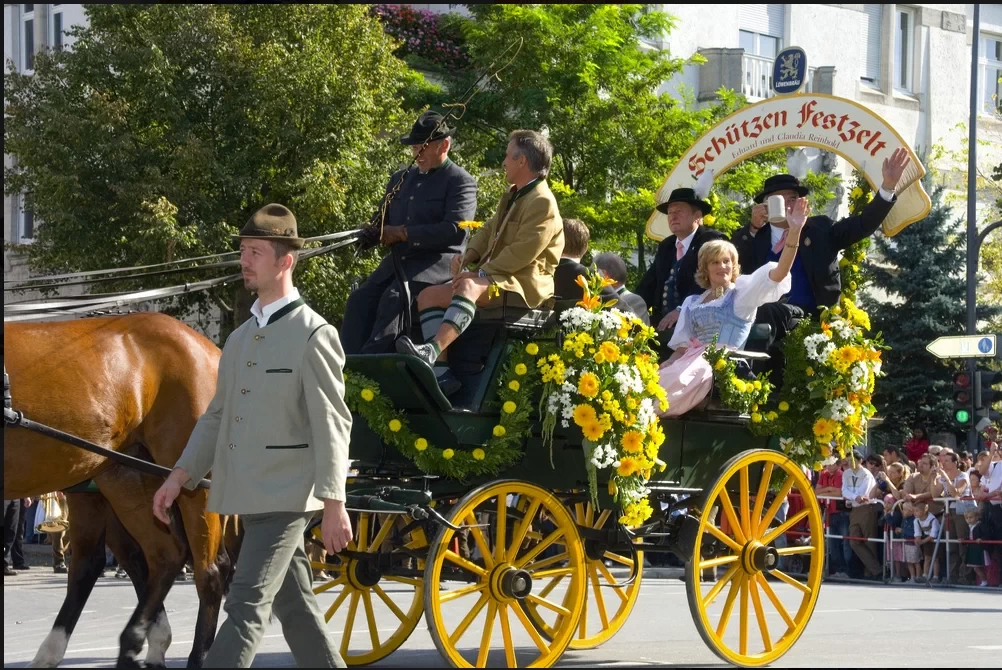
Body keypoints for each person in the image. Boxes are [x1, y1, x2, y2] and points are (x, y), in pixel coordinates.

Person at [152, 204, 354, 668]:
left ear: (286, 261)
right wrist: (178, 476)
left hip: (287, 497)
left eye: (256, 252)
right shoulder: (241, 338)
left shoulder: (314, 335)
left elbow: (332, 422)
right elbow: (216, 417)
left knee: (244, 607)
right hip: (249, 496)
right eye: (243, 251)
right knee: (296, 609)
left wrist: (334, 503)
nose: (244, 260)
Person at [730, 149, 911, 370]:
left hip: (809, 316)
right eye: (779, 200)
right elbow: (731, 272)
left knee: (769, 311)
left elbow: (862, 225)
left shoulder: (820, 229)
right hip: (760, 317)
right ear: (764, 205)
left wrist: (888, 187)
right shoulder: (753, 237)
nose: (788, 205)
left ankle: (745, 370)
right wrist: (752, 228)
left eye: (793, 199)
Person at [396, 130, 563, 369]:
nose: (504, 162)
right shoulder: (514, 194)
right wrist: (467, 257)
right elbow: (487, 231)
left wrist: (480, 273)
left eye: (507, 156)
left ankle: (431, 351)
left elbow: (522, 253)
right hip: (501, 278)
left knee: (468, 285)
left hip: (523, 286)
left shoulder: (542, 201)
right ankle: (442, 375)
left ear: (522, 161)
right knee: (427, 296)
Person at [342, 110, 478, 355]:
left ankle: (376, 364)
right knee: (359, 299)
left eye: (423, 148)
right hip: (397, 262)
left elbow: (455, 231)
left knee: (393, 298)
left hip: (436, 264)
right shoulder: (400, 179)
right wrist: (370, 233)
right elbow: (382, 221)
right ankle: (347, 364)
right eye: (415, 148)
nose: (417, 155)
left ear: (444, 145)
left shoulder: (460, 181)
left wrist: (403, 233)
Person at [655, 203, 804, 417]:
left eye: (726, 261)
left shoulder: (741, 294)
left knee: (688, 375)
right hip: (690, 361)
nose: (722, 267)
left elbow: (779, 272)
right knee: (659, 377)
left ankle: (652, 413)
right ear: (706, 268)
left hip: (723, 367)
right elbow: (682, 349)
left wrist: (795, 233)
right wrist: (665, 365)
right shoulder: (692, 302)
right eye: (715, 262)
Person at [635, 188, 726, 359]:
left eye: (679, 211)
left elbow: (711, 283)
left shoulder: (711, 241)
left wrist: (681, 309)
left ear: (697, 216)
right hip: (662, 321)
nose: (673, 216)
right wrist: (629, 308)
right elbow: (649, 284)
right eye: (670, 213)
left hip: (697, 322)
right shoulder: (667, 246)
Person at [553, 218, 614, 303]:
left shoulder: (539, 273)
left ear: (554, 243)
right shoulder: (593, 277)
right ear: (586, 248)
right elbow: (626, 313)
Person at [842, 450, 882, 578]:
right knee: (854, 541)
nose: (849, 463)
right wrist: (854, 497)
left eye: (852, 460)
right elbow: (844, 490)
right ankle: (876, 569)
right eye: (848, 461)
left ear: (860, 461)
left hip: (867, 508)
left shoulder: (866, 474)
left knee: (869, 541)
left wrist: (854, 497)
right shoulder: (846, 473)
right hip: (855, 508)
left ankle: (871, 572)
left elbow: (863, 492)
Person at [815, 455, 850, 579]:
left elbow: (840, 492)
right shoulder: (823, 475)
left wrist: (827, 490)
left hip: (841, 512)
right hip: (829, 512)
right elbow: (816, 491)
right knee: (832, 543)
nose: (829, 466)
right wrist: (830, 489)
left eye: (831, 464)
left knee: (845, 542)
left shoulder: (841, 475)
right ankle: (837, 569)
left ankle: (847, 570)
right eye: (827, 464)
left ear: (838, 464)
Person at [594, 252, 650, 324]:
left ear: (604, 274)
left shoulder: (635, 301)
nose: (591, 277)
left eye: (594, 272)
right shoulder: (597, 299)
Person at [913, 501, 941, 583]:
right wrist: (917, 539)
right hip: (926, 539)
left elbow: (933, 534)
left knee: (935, 558)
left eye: (917, 511)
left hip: (936, 538)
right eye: (914, 511)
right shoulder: (916, 521)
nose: (915, 513)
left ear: (925, 510)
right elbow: (917, 532)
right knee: (927, 557)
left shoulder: (933, 520)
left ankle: (936, 577)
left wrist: (922, 541)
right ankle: (925, 575)